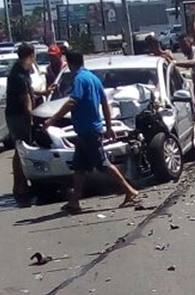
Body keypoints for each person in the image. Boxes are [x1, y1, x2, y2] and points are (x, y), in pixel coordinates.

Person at [43, 50, 139, 214]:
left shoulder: (80, 79)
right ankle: (74, 201)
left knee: (103, 163)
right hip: (85, 130)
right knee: (80, 167)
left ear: (70, 63)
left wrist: (52, 119)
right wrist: (108, 126)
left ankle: (129, 190)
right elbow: (104, 103)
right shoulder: (93, 78)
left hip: (88, 130)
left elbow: (73, 101)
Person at [6, 43, 37, 201]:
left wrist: (44, 92)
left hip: (19, 115)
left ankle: (21, 183)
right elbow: (25, 99)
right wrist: (32, 117)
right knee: (20, 150)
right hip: (17, 116)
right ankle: (19, 185)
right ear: (31, 54)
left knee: (20, 150)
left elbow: (29, 91)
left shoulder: (24, 71)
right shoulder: (17, 74)